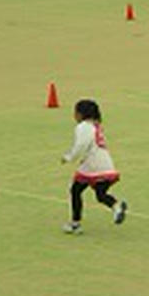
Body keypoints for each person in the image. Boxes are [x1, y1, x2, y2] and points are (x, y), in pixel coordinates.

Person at [61, 99, 127, 234]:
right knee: (100, 194)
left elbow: (81, 146)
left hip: (92, 165)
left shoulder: (83, 127)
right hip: (105, 163)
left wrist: (69, 157)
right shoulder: (96, 125)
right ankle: (116, 206)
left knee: (75, 191)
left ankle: (75, 223)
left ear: (81, 114)